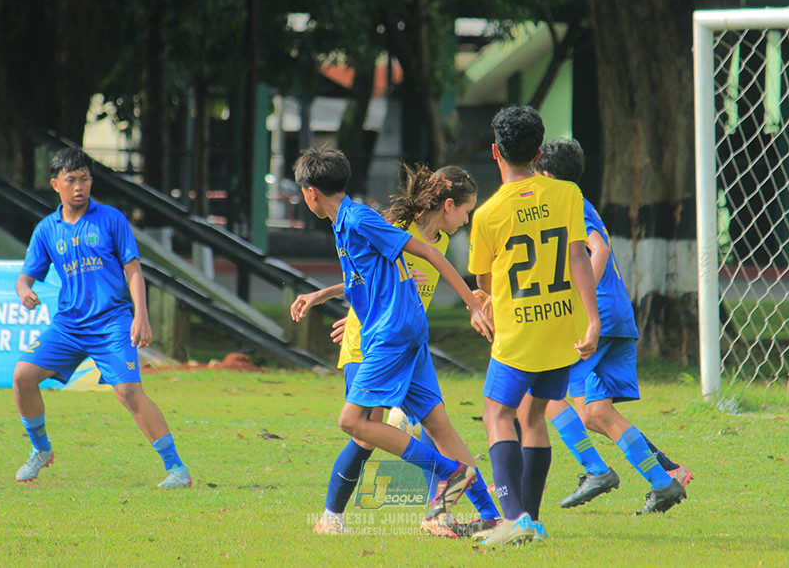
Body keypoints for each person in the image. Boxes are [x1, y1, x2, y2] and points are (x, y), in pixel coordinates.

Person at [288, 148, 495, 535]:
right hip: (402, 330)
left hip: (392, 335)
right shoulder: (345, 222)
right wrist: (331, 300)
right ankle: (490, 515)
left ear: (310, 193)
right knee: (438, 425)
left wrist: (472, 305)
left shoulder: (359, 218)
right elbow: (367, 279)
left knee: (353, 422)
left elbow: (427, 252)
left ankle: (449, 472)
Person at [12, 148, 190, 488]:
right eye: (71, 180)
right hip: (69, 324)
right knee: (23, 376)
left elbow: (133, 270)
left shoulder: (111, 219)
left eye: (85, 179)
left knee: (128, 391)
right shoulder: (47, 229)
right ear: (55, 184)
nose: (79, 187)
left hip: (112, 322)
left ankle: (177, 469)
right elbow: (25, 278)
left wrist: (141, 315)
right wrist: (24, 291)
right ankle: (40, 450)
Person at [530, 138, 688, 515]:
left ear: (547, 175)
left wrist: (581, 302)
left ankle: (595, 470)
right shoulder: (576, 202)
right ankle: (664, 479)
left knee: (543, 390)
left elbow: (598, 248)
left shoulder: (569, 204)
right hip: (616, 314)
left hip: (596, 315)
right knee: (595, 412)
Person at [466, 105, 600, 546]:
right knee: (533, 414)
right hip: (563, 329)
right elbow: (579, 256)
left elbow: (484, 282)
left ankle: (513, 518)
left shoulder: (487, 214)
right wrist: (593, 320)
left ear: (495, 152)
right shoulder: (567, 194)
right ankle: (532, 520)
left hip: (519, 333)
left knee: (497, 413)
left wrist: (490, 298)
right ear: (539, 153)